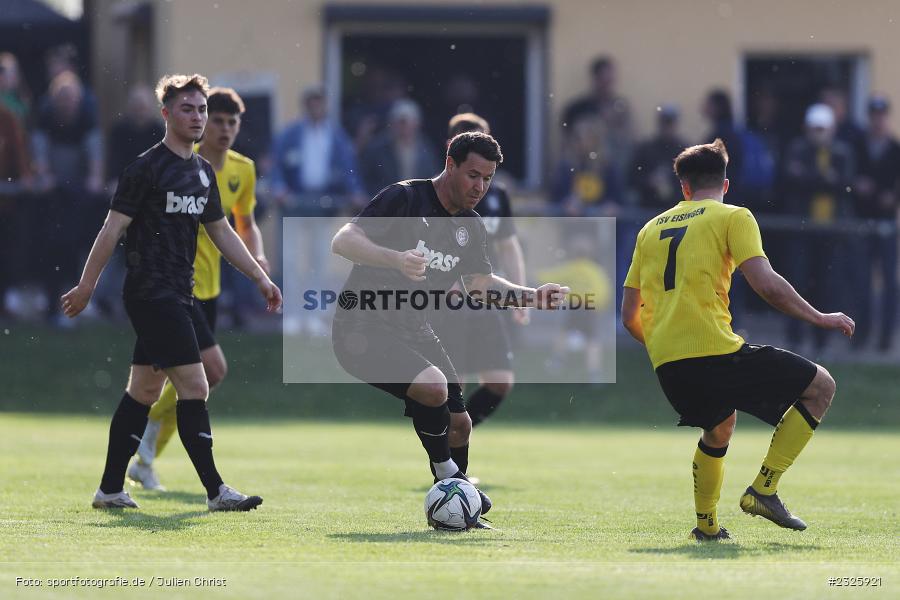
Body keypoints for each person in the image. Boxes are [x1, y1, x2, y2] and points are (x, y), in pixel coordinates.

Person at [61, 74, 282, 511]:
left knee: (144, 391)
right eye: (188, 109)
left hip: (182, 292)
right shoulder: (145, 169)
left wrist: (259, 276)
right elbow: (111, 230)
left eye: (202, 109)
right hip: (151, 293)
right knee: (196, 383)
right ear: (166, 114)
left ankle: (109, 489)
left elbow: (222, 232)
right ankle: (216, 491)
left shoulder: (202, 173)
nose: (197, 117)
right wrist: (87, 285)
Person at [621, 139, 854, 542]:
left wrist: (666, 349)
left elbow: (629, 315)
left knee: (719, 427)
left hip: (668, 365)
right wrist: (820, 317)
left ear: (684, 187)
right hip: (715, 352)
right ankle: (764, 489)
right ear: (725, 185)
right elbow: (767, 285)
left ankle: (706, 526)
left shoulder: (649, 229)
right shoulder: (733, 216)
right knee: (821, 387)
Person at [330, 132, 568, 524]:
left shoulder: (471, 226)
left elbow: (480, 285)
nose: (480, 187)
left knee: (460, 425)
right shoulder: (405, 198)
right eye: (473, 175)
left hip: (414, 329)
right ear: (450, 164)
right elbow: (343, 241)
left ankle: (461, 513)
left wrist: (531, 297)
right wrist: (394, 258)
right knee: (434, 386)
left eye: (488, 178)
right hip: (361, 327)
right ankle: (453, 480)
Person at [126, 87, 271, 491]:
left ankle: (141, 458)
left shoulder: (243, 169)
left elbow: (243, 223)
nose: (224, 129)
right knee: (209, 372)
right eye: (216, 120)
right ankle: (150, 448)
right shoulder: (187, 167)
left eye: (231, 122)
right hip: (175, 288)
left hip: (209, 290)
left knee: (165, 380)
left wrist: (258, 258)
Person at [430, 113, 527, 431]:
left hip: (485, 296)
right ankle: (446, 449)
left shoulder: (497, 195)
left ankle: (455, 435)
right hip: (449, 300)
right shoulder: (437, 193)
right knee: (452, 384)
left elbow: (508, 245)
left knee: (500, 381)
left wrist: (520, 293)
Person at [851, 95, 900, 350]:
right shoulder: (859, 146)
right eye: (874, 115)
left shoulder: (895, 148)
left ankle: (885, 337)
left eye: (881, 115)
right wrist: (857, 185)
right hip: (863, 220)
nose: (878, 120)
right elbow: (849, 177)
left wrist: (893, 197)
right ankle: (861, 332)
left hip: (887, 224)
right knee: (862, 280)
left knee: (889, 282)